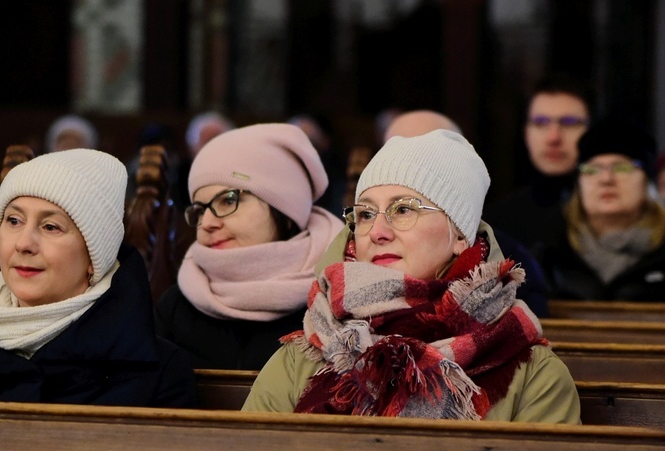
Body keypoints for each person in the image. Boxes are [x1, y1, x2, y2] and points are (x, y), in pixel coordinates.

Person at [243, 130, 580, 423]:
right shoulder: (307, 351)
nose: (377, 232)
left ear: (460, 234)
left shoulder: (534, 374)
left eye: (403, 209)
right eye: (365, 214)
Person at [0, 148, 198, 407]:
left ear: (93, 257)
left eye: (51, 227)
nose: (24, 243)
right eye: (13, 221)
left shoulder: (159, 373)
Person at [154, 123, 345, 370]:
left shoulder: (341, 299)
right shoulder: (176, 306)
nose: (208, 223)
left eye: (228, 200)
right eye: (200, 210)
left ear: (285, 210)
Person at [382, 109, 550, 317]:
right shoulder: (353, 250)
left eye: (428, 159)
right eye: (395, 157)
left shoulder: (512, 267)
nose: (410, 172)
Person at [538, 115, 665, 301]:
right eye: (592, 169)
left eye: (622, 168)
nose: (606, 179)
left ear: (647, 182)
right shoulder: (547, 259)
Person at [484, 74, 593, 257]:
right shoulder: (496, 224)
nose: (553, 137)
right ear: (526, 133)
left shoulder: (612, 213)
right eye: (541, 123)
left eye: (569, 123)